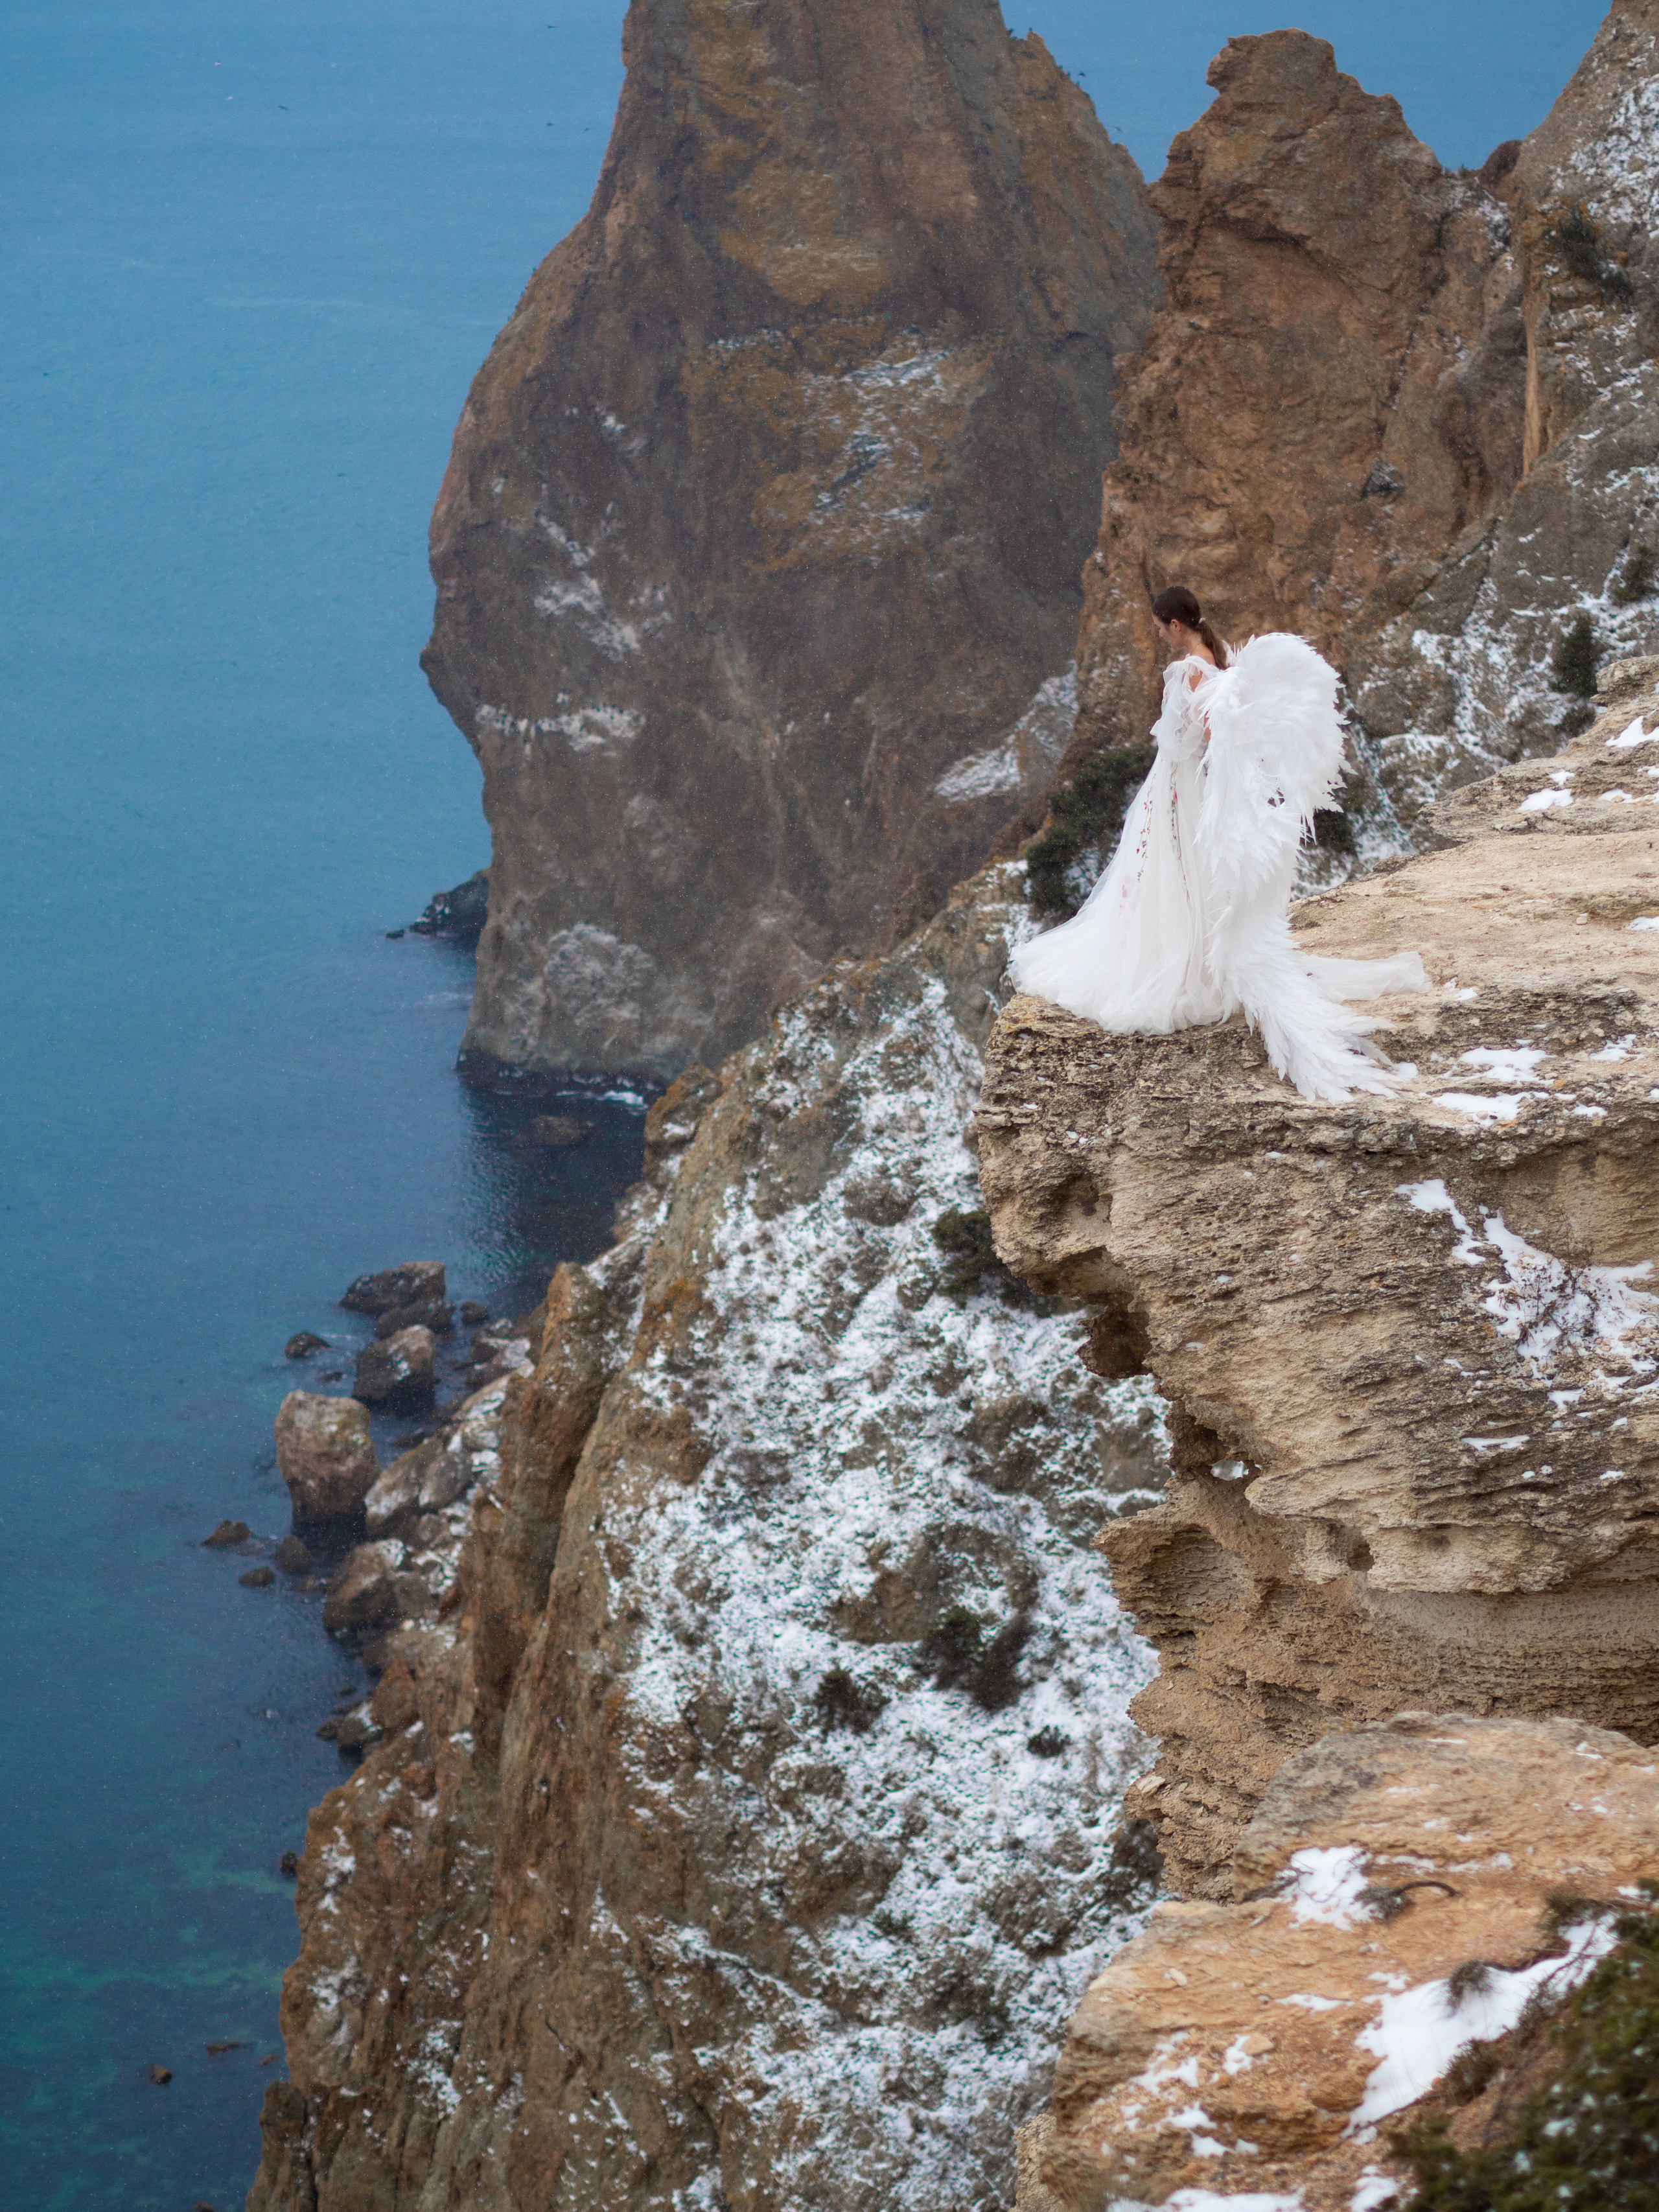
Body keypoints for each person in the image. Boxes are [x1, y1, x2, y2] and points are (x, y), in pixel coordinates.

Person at [1009, 585, 1426, 1102]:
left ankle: (1186, 962)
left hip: (1182, 784)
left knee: (1173, 869)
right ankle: (1199, 954)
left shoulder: (1191, 670)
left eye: (1161, 627)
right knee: (1190, 873)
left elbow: (1205, 731)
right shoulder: (1219, 661)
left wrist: (1183, 742)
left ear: (1175, 625)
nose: (1159, 636)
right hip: (1188, 782)